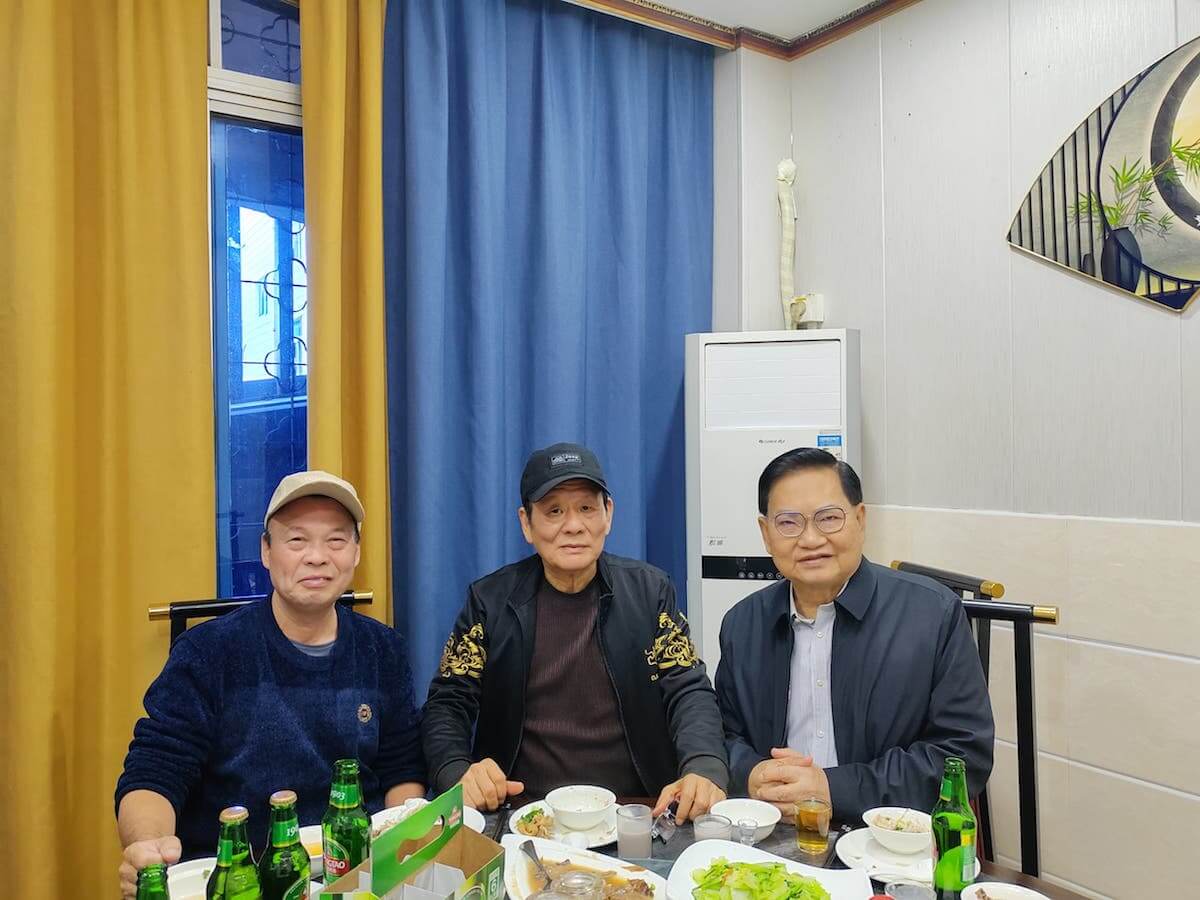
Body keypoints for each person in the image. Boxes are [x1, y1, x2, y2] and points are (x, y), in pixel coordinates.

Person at [115, 471, 424, 898]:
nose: (317, 557)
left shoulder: (383, 649)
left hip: (354, 873)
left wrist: (401, 842)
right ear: (266, 550)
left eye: (336, 540)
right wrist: (149, 845)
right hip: (241, 878)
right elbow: (156, 769)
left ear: (356, 552)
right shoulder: (209, 650)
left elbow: (402, 768)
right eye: (297, 540)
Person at [423, 442, 728, 821]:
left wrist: (704, 765)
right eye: (554, 511)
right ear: (526, 523)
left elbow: (688, 689)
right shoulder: (489, 601)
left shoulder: (650, 592)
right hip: (522, 812)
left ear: (608, 514)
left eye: (586, 508)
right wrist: (457, 770)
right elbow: (448, 702)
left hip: (635, 810)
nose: (573, 526)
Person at [715, 448, 993, 819]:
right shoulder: (742, 624)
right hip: (772, 831)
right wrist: (751, 774)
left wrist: (833, 789)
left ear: (860, 520)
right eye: (788, 523)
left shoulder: (933, 615)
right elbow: (722, 736)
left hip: (886, 835)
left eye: (829, 518)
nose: (810, 539)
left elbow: (962, 754)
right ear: (766, 534)